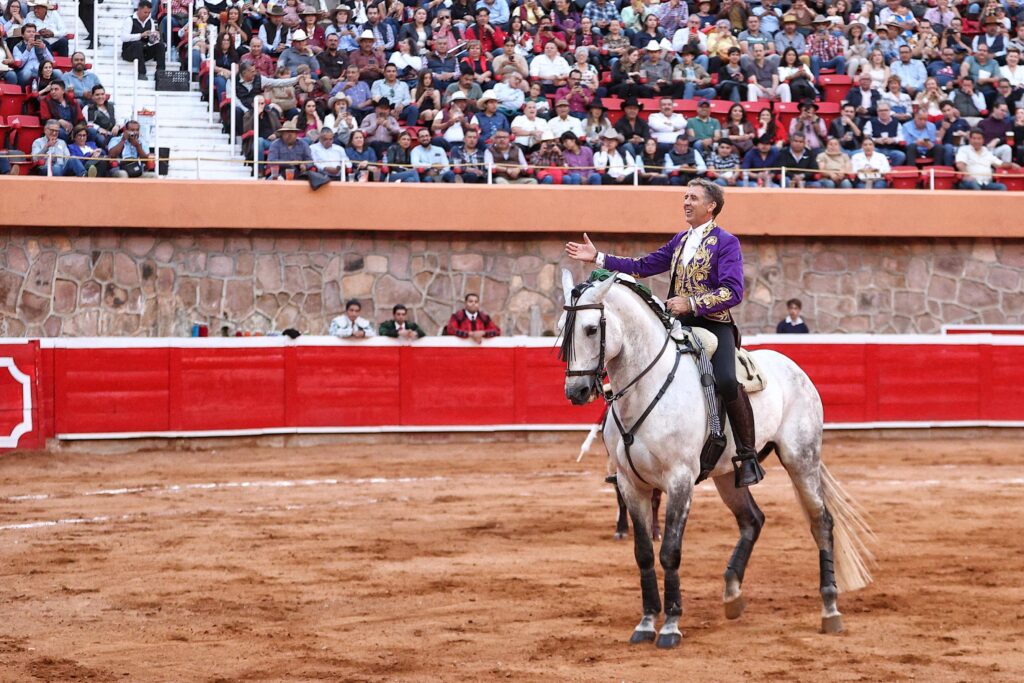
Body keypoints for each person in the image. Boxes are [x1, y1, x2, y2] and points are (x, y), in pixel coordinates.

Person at [564, 179, 765, 488]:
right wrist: (598, 258)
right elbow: (642, 266)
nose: (686, 202)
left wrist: (693, 302)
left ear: (711, 206)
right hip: (678, 323)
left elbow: (734, 291)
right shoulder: (680, 241)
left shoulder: (727, 242)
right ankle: (628, 453)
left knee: (726, 378)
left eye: (693, 198)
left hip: (714, 324)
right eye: (685, 196)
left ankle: (748, 455)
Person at [121, 1, 165, 81]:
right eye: (145, 12)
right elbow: (124, 37)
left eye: (149, 12)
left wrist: (155, 37)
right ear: (139, 9)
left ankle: (160, 73)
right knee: (138, 44)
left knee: (160, 45)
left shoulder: (150, 21)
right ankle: (142, 73)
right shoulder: (129, 20)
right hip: (129, 52)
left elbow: (152, 42)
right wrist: (140, 35)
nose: (147, 15)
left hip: (143, 51)